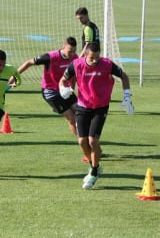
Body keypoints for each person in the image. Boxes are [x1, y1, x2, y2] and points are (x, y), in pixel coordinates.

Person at [59, 43, 134, 189]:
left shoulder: (107, 64)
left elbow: (124, 76)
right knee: (82, 142)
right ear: (85, 55)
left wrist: (127, 97)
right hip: (82, 107)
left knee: (93, 141)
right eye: (92, 58)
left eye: (97, 57)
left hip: (100, 108)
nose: (95, 60)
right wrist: (63, 88)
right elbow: (63, 79)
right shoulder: (76, 65)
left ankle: (93, 172)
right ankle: (95, 166)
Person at [17, 36, 78, 136]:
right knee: (71, 117)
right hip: (51, 92)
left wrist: (72, 88)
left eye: (74, 51)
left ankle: (87, 138)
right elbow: (29, 62)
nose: (72, 54)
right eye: (70, 51)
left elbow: (74, 74)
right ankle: (83, 143)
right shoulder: (50, 57)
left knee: (80, 112)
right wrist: (14, 76)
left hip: (65, 90)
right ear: (63, 47)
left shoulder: (75, 58)